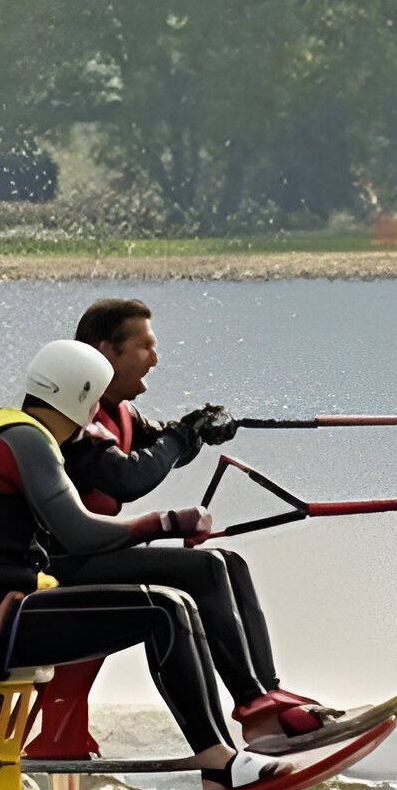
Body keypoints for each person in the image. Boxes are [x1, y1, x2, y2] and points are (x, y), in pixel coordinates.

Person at [0, 339, 294, 790]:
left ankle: (221, 756)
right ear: (80, 395)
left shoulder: (4, 428)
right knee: (163, 611)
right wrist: (164, 521)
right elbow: (80, 533)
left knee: (172, 604)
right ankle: (219, 763)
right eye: (95, 398)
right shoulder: (24, 439)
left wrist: (183, 435)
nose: (99, 409)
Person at [48, 298, 343, 752]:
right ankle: (252, 711)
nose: (155, 359)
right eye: (145, 347)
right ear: (106, 351)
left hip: (94, 557)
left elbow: (163, 447)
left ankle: (265, 699)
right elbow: (127, 476)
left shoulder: (120, 413)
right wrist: (181, 437)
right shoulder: (75, 412)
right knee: (202, 571)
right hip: (57, 565)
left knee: (229, 562)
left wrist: (200, 429)